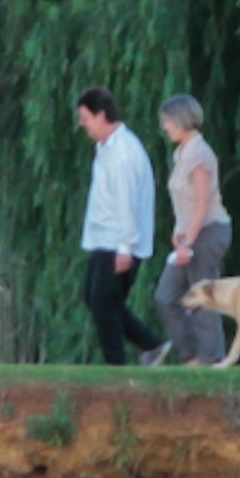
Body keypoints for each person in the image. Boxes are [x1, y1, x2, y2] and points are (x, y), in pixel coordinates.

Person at [73, 88, 162, 365]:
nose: (82, 123)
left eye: (86, 117)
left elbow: (127, 202)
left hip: (119, 240)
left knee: (104, 302)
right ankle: (150, 344)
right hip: (104, 237)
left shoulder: (123, 153)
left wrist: (125, 247)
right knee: (96, 298)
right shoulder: (106, 148)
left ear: (101, 116)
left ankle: (116, 364)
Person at [151, 94, 232, 367]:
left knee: (202, 299)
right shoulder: (182, 153)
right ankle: (192, 358)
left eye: (168, 121)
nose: (165, 127)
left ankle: (212, 361)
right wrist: (179, 232)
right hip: (193, 235)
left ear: (182, 120)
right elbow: (183, 201)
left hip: (209, 232)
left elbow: (203, 201)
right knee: (166, 296)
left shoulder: (199, 154)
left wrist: (189, 242)